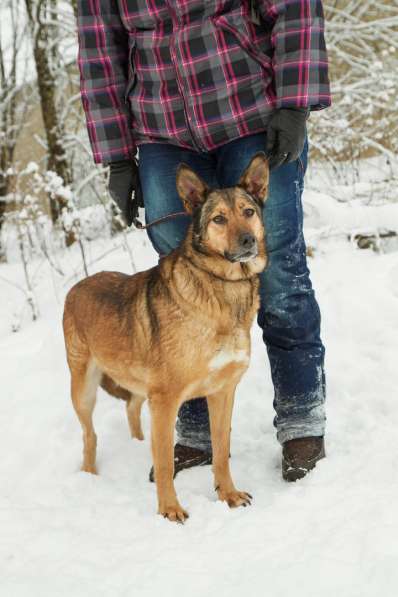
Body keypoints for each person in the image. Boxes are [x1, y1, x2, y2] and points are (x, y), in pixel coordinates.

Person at [77, 0, 330, 482]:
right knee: (177, 291)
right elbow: (99, 51)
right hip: (161, 129)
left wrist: (295, 102)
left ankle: (301, 417)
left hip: (248, 108)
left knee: (278, 275)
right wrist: (117, 156)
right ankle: (193, 427)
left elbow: (293, 7)